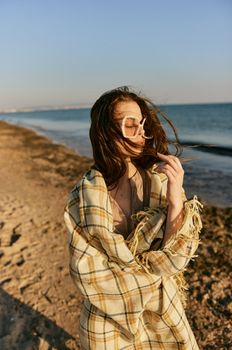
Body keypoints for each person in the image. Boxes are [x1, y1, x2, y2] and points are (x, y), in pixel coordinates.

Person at [64, 86, 203, 349]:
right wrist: (151, 274)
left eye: (143, 123)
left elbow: (177, 260)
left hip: (163, 312)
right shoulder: (83, 197)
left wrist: (175, 199)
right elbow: (87, 275)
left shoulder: (160, 182)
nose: (141, 132)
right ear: (105, 132)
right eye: (130, 125)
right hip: (107, 319)